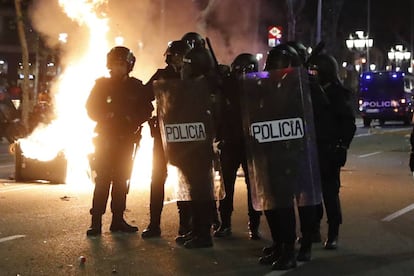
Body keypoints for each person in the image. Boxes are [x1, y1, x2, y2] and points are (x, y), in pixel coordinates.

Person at [85, 46, 153, 236]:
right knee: (103, 180)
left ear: (129, 65)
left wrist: (132, 120)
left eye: (121, 64)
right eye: (114, 64)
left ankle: (117, 220)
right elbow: (90, 108)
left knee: (121, 180)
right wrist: (106, 115)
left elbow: (147, 109)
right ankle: (96, 222)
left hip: (126, 140)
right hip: (105, 138)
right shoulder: (101, 85)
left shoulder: (136, 86)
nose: (117, 68)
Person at [141, 40, 191, 239]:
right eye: (175, 55)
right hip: (163, 134)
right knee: (157, 179)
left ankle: (185, 225)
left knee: (184, 180)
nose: (178, 59)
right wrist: (150, 118)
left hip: (186, 134)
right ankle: (154, 224)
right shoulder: (162, 75)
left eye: (181, 55)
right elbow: (143, 97)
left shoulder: (193, 76)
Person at [307, 53, 356, 249]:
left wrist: (341, 146)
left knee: (329, 193)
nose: (312, 74)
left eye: (315, 71)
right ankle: (313, 230)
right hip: (311, 148)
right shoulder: (309, 92)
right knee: (311, 193)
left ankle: (333, 232)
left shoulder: (337, 94)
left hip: (328, 149)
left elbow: (348, 124)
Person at [213, 53, 262, 240]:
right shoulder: (226, 86)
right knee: (226, 188)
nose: (241, 75)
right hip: (230, 143)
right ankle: (225, 223)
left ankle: (254, 224)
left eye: (245, 71)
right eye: (238, 71)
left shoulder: (258, 89)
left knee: (254, 188)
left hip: (250, 144)